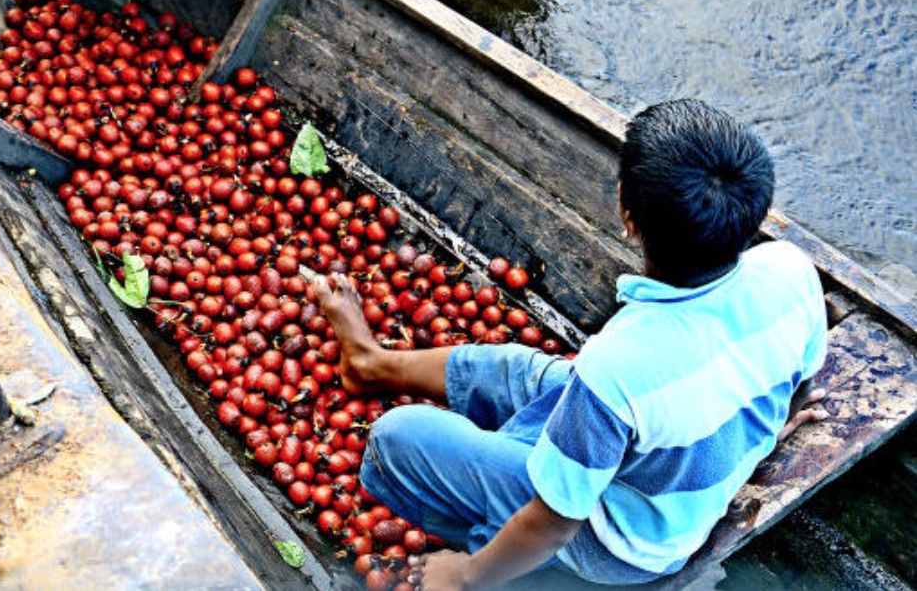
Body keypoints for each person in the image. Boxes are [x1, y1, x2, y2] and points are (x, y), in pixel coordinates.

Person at [312, 99, 830, 590]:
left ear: (628, 218)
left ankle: (491, 549)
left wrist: (465, 576)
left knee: (396, 440)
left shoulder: (621, 361)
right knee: (520, 371)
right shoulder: (790, 269)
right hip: (649, 457)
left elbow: (554, 524)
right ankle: (372, 363)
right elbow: (798, 382)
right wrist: (753, 439)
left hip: (623, 547)